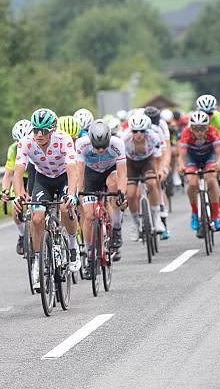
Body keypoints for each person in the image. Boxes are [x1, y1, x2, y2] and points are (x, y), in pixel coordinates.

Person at [12, 108, 80, 291]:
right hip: (43, 179)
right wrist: (18, 195)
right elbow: (18, 171)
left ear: (52, 130)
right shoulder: (26, 143)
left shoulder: (64, 139)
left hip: (64, 177)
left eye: (44, 131)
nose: (39, 135)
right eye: (35, 130)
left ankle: (73, 248)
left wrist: (72, 194)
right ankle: (38, 261)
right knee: (37, 219)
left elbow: (72, 169)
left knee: (66, 208)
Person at [75, 120, 127, 275]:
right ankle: (89, 253)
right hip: (91, 174)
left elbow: (123, 173)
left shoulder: (117, 144)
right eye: (96, 146)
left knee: (114, 184)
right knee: (89, 216)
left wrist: (121, 193)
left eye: (103, 146)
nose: (100, 150)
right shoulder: (82, 144)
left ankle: (116, 228)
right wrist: (77, 193)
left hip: (110, 171)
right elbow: (79, 173)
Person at [178, 111, 220, 231]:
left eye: (202, 129)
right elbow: (181, 155)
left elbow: (219, 152)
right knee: (192, 183)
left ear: (207, 127)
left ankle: (216, 216)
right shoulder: (186, 133)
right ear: (191, 127)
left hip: (209, 156)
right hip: (192, 158)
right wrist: (182, 166)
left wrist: (219, 163)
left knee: (211, 179)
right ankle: (194, 213)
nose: (199, 132)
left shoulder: (213, 131)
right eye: (196, 129)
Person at [120, 114, 163, 241]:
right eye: (135, 131)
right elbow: (120, 161)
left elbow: (158, 158)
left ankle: (156, 218)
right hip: (130, 163)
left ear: (147, 131)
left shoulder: (153, 137)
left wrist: (159, 171)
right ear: (131, 131)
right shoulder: (124, 139)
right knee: (131, 194)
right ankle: (135, 223)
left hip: (147, 161)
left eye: (142, 131)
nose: (138, 134)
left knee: (152, 183)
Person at [2, 119, 32, 255]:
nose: (22, 146)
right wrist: (5, 190)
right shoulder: (13, 149)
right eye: (19, 143)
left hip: (35, 175)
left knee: (35, 204)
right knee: (16, 208)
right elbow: (9, 174)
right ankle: (22, 235)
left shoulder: (35, 145)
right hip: (21, 176)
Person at [196, 94, 220, 208]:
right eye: (204, 113)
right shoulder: (195, 119)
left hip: (216, 146)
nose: (208, 116)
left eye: (210, 113)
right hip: (200, 146)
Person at [144, 106, 171, 240]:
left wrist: (164, 168)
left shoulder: (160, 127)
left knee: (158, 180)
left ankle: (163, 217)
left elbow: (166, 150)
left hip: (156, 155)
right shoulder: (135, 129)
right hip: (140, 157)